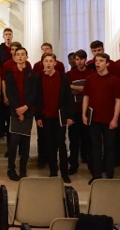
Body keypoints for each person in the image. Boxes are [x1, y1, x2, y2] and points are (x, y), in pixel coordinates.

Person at [82, 52, 120, 183]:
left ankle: (109, 174)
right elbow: (86, 97)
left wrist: (115, 118)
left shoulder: (115, 80)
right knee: (95, 147)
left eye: (101, 61)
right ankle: (97, 174)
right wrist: (84, 114)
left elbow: (118, 100)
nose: (98, 63)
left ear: (107, 63)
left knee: (110, 147)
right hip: (93, 118)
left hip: (109, 119)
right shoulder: (90, 78)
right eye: (96, 61)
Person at [35, 53, 73, 184]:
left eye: (51, 61)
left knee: (61, 143)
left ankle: (64, 172)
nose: (48, 63)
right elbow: (37, 98)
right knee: (49, 144)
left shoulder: (63, 77)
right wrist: (38, 116)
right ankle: (52, 171)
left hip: (60, 116)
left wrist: (69, 116)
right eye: (46, 61)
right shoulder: (39, 78)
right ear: (43, 63)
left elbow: (68, 97)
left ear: (55, 63)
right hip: (46, 116)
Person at [4, 47, 37, 181]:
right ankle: (11, 169)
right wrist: (18, 109)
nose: (20, 57)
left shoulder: (32, 73)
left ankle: (23, 169)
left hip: (28, 111)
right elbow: (10, 93)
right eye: (18, 55)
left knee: (25, 141)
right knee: (14, 141)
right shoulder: (10, 73)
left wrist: (26, 107)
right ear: (14, 57)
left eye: (23, 54)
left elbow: (34, 92)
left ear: (26, 57)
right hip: (15, 110)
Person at [65, 49, 94, 174]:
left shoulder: (92, 73)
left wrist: (73, 87)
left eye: (81, 59)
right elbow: (67, 92)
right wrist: (82, 89)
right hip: (74, 110)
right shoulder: (69, 74)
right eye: (77, 59)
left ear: (85, 59)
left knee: (89, 139)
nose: (79, 62)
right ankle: (73, 165)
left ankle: (92, 165)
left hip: (88, 111)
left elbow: (90, 90)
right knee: (74, 140)